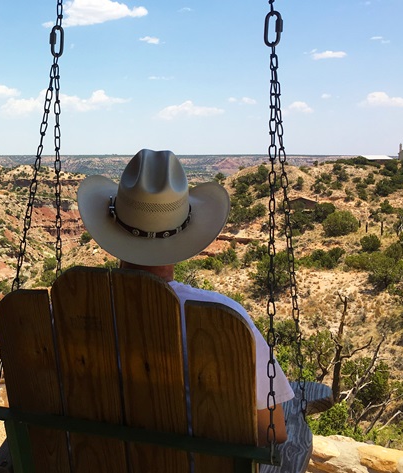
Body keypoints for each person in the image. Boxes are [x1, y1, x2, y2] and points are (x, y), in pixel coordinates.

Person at [77, 149, 295, 445]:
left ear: (112, 222)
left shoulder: (72, 311)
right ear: (185, 230)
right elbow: (273, 432)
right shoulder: (222, 317)